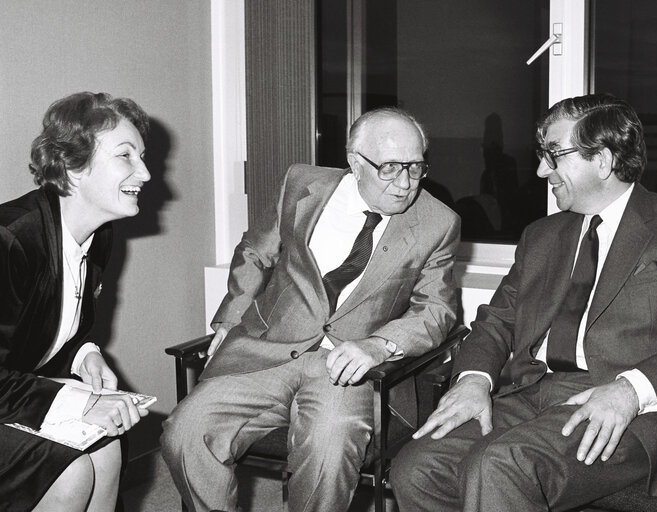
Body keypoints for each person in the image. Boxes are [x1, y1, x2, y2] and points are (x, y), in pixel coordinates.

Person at [390, 93, 657, 511]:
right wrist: (473, 380)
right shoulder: (541, 236)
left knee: (499, 464)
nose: (541, 170)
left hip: (621, 413)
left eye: (554, 155)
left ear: (603, 160)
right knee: (416, 466)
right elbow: (495, 323)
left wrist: (630, 390)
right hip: (530, 395)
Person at [161, 107, 460, 512]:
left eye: (416, 167)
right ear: (355, 162)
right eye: (389, 168)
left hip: (348, 366)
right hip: (266, 351)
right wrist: (229, 320)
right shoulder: (300, 183)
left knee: (328, 452)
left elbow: (437, 309)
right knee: (185, 433)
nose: (405, 183)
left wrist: (378, 346)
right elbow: (256, 252)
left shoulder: (438, 222)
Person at [0, 92, 152, 511]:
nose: (145, 172)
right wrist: (81, 401)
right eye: (126, 156)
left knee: (106, 446)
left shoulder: (98, 233)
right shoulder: (9, 241)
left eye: (142, 156)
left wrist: (85, 353)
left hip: (11, 393)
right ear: (72, 167)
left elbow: (57, 324)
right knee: (69, 471)